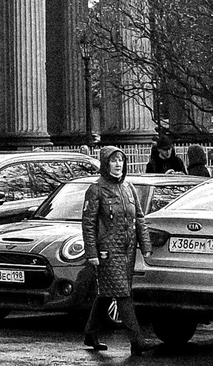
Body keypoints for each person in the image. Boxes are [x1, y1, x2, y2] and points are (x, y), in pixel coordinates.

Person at [81, 147, 153, 355]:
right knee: (122, 293)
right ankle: (136, 340)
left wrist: (145, 245)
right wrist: (92, 253)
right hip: (107, 252)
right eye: (113, 161)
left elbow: (139, 218)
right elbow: (88, 223)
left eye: (121, 160)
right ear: (105, 164)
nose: (118, 164)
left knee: (107, 292)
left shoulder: (129, 188)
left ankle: (90, 333)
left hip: (127, 250)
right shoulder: (96, 190)